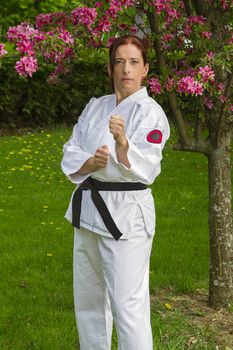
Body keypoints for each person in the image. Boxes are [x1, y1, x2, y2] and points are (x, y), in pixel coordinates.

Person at [61, 35, 170, 350]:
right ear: (110, 69)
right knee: (89, 301)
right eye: (120, 62)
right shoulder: (97, 106)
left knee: (127, 305)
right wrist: (89, 162)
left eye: (134, 62)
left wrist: (124, 147)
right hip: (89, 208)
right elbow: (71, 148)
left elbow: (149, 163)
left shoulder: (152, 114)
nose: (126, 69)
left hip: (127, 213)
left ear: (145, 69)